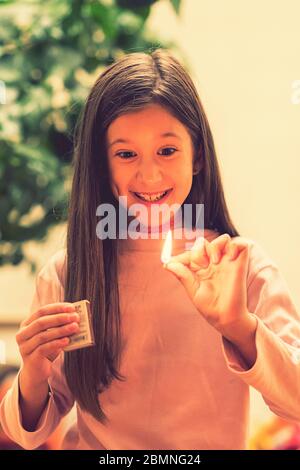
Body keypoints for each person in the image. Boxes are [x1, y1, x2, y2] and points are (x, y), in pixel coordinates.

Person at [1, 48, 300, 450]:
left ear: (196, 156)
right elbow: (27, 431)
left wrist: (238, 328)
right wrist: (33, 374)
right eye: (126, 154)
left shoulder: (240, 266)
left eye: (167, 150)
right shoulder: (69, 274)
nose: (150, 174)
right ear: (102, 165)